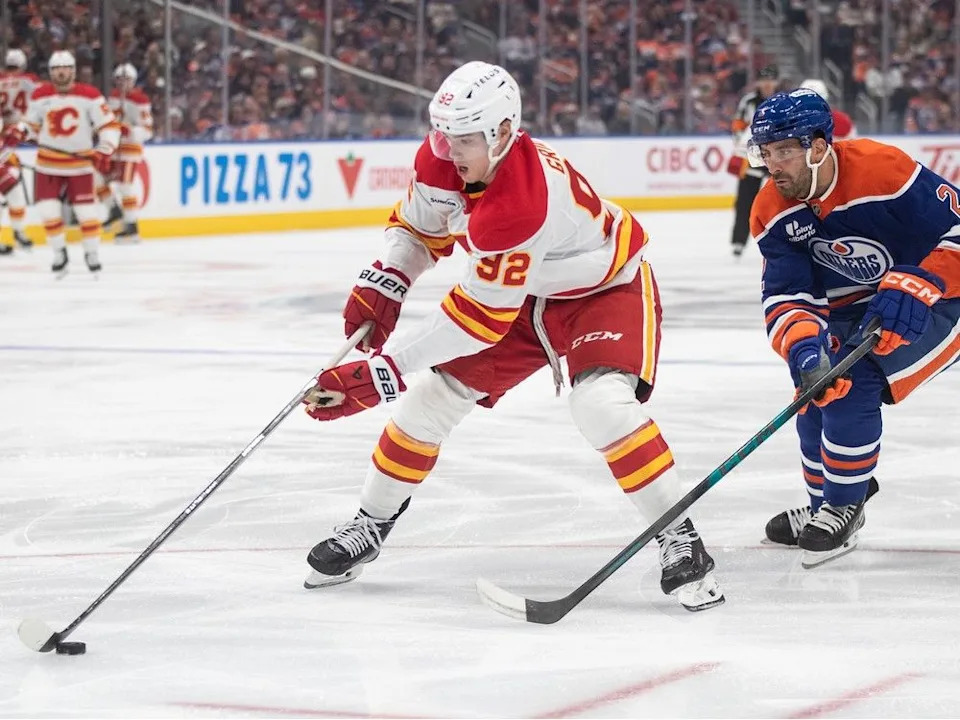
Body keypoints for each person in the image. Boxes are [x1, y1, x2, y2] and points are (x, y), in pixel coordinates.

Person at [298, 61, 725, 612]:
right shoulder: (442, 157)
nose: (450, 152)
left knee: (601, 405)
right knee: (429, 401)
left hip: (601, 289)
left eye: (465, 140)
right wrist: (388, 277)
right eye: (443, 135)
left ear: (503, 132)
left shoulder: (520, 201)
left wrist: (384, 372)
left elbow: (476, 318)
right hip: (525, 294)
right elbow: (418, 228)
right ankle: (370, 522)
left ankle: (677, 533)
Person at [748, 88, 960, 568]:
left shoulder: (883, 171)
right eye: (765, 153)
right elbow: (788, 296)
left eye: (783, 151)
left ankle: (845, 505)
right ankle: (826, 504)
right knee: (816, 389)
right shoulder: (772, 209)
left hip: (941, 302)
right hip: (857, 311)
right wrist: (804, 349)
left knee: (854, 380)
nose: (772, 165)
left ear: (819, 147)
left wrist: (921, 281)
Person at [3, 51, 120, 275]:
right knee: (47, 211)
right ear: (50, 72)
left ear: (73, 71)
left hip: (79, 165)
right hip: (48, 164)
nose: (61, 73)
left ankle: (91, 253)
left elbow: (108, 125)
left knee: (86, 212)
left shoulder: (90, 95)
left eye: (66, 68)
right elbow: (32, 124)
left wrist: (105, 149)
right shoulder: (40, 94)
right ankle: (59, 253)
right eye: (57, 69)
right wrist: (20, 131)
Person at [727, 64, 779, 258]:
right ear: (758, 82)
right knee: (745, 201)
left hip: (776, 157)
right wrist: (743, 149)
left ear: (776, 82)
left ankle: (780, 241)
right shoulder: (748, 102)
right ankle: (739, 241)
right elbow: (737, 127)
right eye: (764, 80)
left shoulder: (782, 101)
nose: (767, 84)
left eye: (770, 80)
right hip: (753, 157)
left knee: (782, 200)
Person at [104, 63, 153, 243]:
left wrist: (129, 131)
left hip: (130, 150)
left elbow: (148, 130)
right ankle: (113, 209)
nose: (123, 83)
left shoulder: (140, 100)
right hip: (112, 148)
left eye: (127, 80)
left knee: (125, 186)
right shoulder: (112, 97)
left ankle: (131, 228)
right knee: (97, 178)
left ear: (133, 81)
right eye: (120, 79)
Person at [0, 48, 39, 254]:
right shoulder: (29, 80)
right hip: (13, 136)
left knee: (13, 188)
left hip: (6, 140)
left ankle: (19, 231)